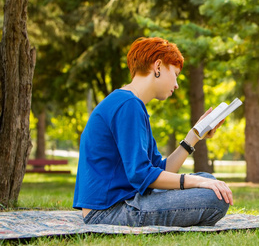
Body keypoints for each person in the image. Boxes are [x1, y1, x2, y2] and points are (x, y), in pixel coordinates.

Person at [73, 37, 233, 227]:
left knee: (209, 181)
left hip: (123, 202)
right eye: (175, 74)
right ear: (158, 66)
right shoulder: (127, 105)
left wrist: (194, 136)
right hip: (108, 212)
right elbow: (141, 174)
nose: (176, 84)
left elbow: (159, 171)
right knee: (214, 196)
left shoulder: (131, 104)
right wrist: (193, 181)